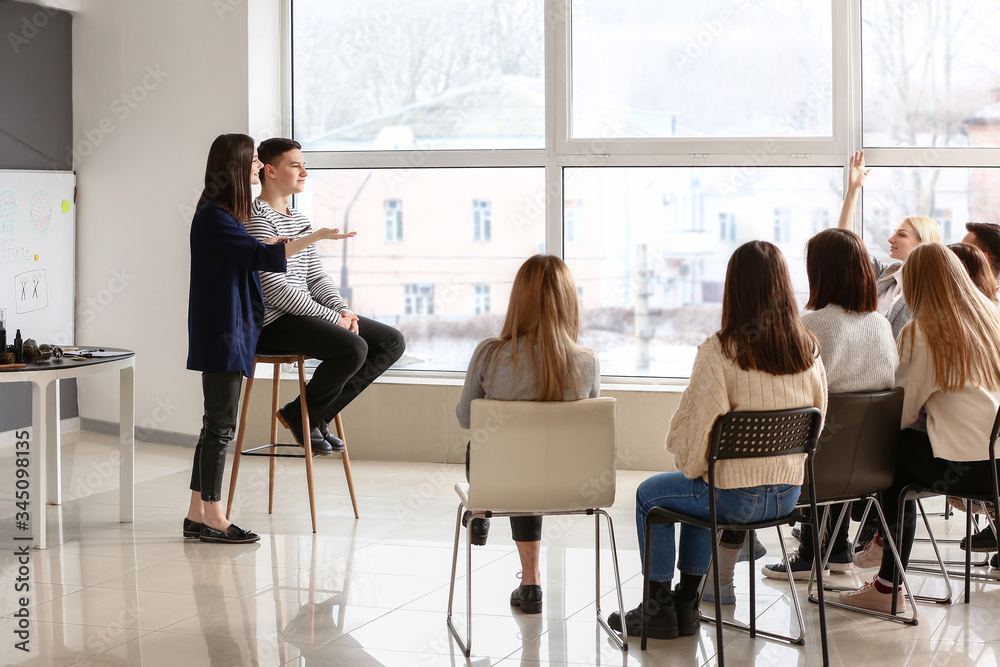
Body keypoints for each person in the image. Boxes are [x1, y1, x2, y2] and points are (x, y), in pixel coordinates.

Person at [609, 241, 828, 640]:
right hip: (788, 495)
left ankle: (656, 607)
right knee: (702, 493)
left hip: (735, 497)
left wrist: (697, 470)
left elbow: (697, 441)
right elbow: (818, 421)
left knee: (651, 495)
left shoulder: (720, 351)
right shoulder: (808, 350)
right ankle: (687, 605)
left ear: (734, 289)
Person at [185, 133, 352, 544]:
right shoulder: (215, 216)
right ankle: (214, 517)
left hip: (232, 330)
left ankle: (196, 514)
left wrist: (278, 243)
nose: (258, 169)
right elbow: (261, 257)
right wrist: (315, 237)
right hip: (226, 333)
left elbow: (252, 253)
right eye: (252, 164)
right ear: (234, 169)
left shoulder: (223, 214)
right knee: (220, 426)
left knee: (214, 426)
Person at [840, 243, 1000, 614]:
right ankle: (880, 549)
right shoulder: (990, 319)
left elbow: (902, 408)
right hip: (995, 465)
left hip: (965, 468)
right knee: (900, 459)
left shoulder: (923, 330)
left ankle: (886, 582)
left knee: (888, 458)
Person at [455, 254, 600, 614]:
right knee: (534, 461)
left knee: (498, 453)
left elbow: (464, 418)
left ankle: (482, 506)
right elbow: (590, 427)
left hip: (500, 477)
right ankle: (529, 580)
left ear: (518, 299)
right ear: (569, 301)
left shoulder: (489, 355)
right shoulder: (587, 361)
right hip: (570, 482)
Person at [248, 138, 405, 455]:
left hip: (302, 315)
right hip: (272, 323)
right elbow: (274, 290)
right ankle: (307, 416)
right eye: (296, 165)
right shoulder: (257, 220)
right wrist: (334, 319)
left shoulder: (299, 219)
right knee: (352, 348)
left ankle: (310, 415)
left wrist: (344, 311)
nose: (304, 171)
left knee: (391, 341)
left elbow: (316, 277)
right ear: (271, 171)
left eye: (304, 165)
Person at [756, 229, 897, 582]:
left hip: (813, 472)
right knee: (839, 433)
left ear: (821, 273)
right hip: (871, 469)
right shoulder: (881, 325)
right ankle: (835, 548)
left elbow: (787, 396)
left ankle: (809, 554)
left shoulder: (813, 324)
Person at [838, 150, 942, 339]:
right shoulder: (888, 274)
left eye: (901, 234)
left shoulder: (933, 288)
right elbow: (846, 247)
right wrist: (853, 191)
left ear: (923, 242)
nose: (890, 240)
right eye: (893, 233)